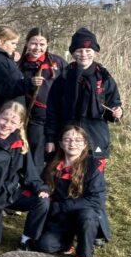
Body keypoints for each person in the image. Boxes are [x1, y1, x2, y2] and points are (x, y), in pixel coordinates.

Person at [0, 101, 50, 254]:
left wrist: (40, 187)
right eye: (4, 119)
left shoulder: (20, 143)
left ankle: (27, 239)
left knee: (43, 201)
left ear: (20, 124)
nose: (7, 124)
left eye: (13, 121)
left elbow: (30, 172)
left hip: (11, 194)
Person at [36, 124, 110, 257]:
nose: (72, 144)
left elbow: (96, 200)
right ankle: (66, 244)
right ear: (61, 144)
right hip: (60, 216)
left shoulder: (93, 166)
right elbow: (43, 184)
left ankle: (84, 253)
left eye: (78, 140)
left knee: (87, 216)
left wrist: (62, 206)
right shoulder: (52, 164)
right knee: (43, 246)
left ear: (85, 144)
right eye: (67, 139)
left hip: (82, 213)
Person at [45, 27, 123, 160]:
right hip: (68, 136)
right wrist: (50, 138)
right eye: (79, 51)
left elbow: (114, 103)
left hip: (96, 134)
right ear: (73, 53)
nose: (84, 54)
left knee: (94, 175)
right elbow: (52, 110)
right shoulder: (63, 77)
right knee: (67, 175)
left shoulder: (104, 77)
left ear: (95, 51)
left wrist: (117, 112)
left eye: (88, 50)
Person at [18, 27, 66, 172]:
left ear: (47, 44)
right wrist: (29, 83)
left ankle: (55, 183)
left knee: (57, 153)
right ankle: (36, 186)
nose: (37, 48)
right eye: (33, 43)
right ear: (27, 43)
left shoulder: (57, 62)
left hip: (57, 117)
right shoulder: (19, 65)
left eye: (42, 44)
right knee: (36, 154)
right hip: (34, 119)